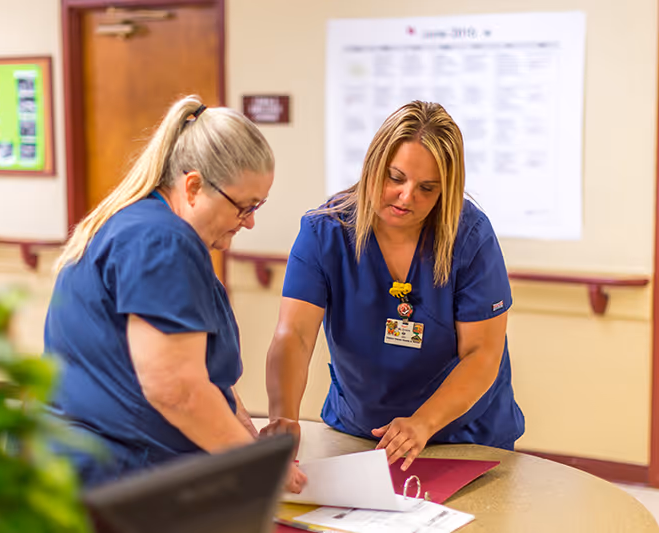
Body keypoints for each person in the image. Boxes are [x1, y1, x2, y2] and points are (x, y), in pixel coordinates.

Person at [44, 96, 306, 492]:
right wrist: (259, 467)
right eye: (243, 207)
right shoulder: (161, 242)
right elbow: (177, 391)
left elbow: (203, 373)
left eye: (258, 207)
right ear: (194, 185)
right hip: (118, 482)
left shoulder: (143, 227)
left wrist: (249, 440)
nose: (249, 223)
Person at [262, 101, 525, 471]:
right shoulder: (326, 233)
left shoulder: (469, 237)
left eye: (427, 188)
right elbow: (294, 335)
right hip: (360, 435)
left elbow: (482, 354)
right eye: (395, 178)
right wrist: (283, 416)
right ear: (372, 166)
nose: (406, 197)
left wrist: (422, 423)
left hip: (463, 439)